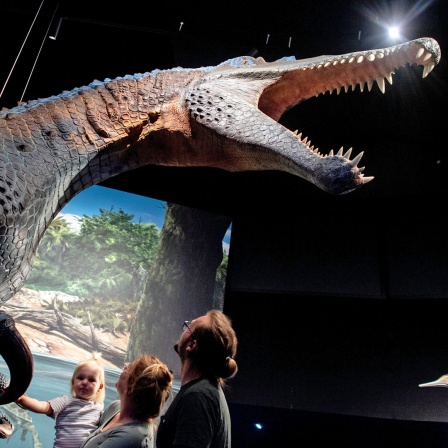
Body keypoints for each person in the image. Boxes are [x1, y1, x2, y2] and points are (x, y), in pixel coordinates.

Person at [156, 309, 238, 448]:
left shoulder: (198, 397)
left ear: (192, 345)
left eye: (188, 327)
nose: (183, 330)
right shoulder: (203, 392)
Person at [80, 353, 173, 448]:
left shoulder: (132, 437)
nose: (124, 366)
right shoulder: (115, 408)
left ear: (132, 387)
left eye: (129, 367)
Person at [15, 352, 105, 448]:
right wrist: (20, 399)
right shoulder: (65, 401)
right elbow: (42, 406)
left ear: (100, 387)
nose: (84, 382)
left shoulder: (99, 408)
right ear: (73, 382)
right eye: (80, 378)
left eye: (91, 380)